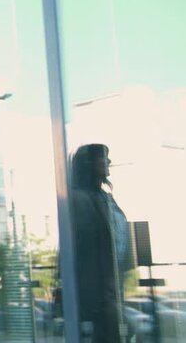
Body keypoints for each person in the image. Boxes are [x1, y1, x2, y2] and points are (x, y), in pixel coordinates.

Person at [70, 144, 132, 343]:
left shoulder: (105, 197)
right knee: (120, 331)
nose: (108, 162)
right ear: (88, 164)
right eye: (103, 158)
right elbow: (84, 246)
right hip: (99, 290)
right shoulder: (80, 198)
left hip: (111, 286)